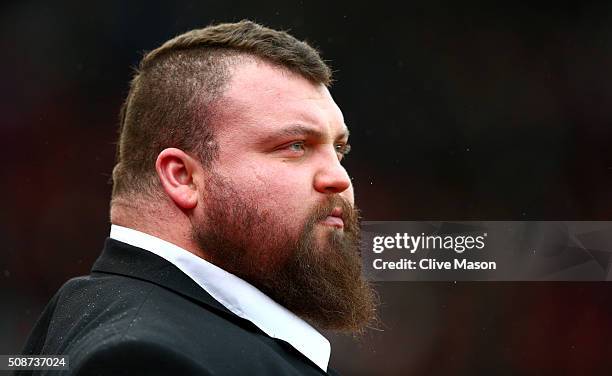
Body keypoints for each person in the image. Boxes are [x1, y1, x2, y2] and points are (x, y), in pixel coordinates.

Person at [18, 20, 377, 375]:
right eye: (296, 146)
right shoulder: (144, 359)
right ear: (183, 177)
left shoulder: (122, 322)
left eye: (339, 150)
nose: (339, 178)